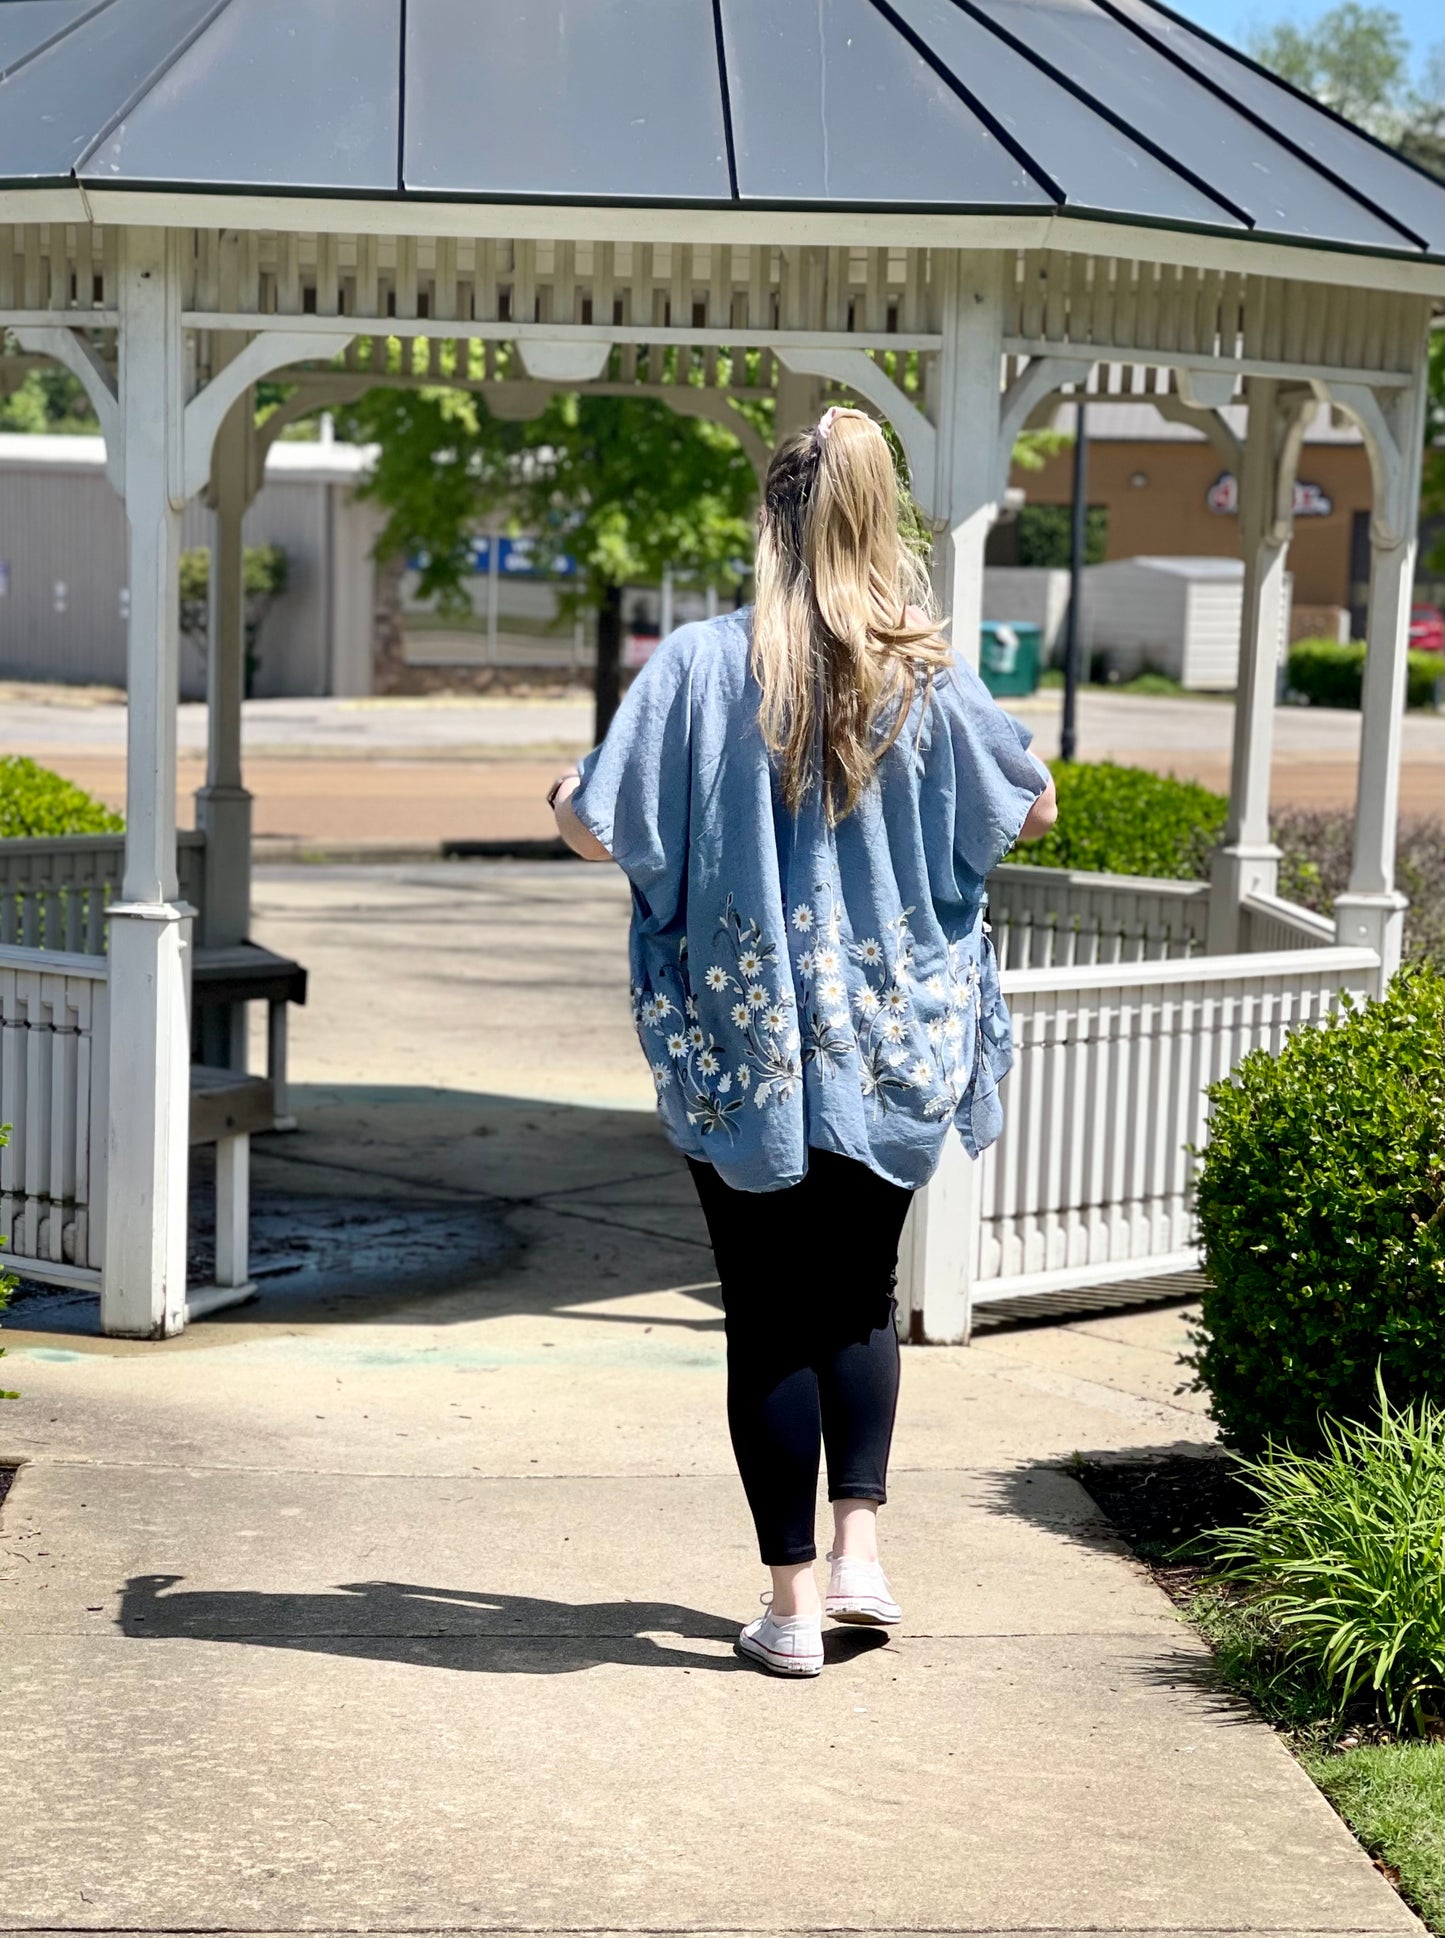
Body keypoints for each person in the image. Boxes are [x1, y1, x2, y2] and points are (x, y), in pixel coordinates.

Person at [549, 407, 1057, 1677]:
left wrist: (559, 794)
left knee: (767, 1317)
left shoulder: (701, 665)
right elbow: (1029, 804)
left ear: (769, 525)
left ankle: (787, 1611)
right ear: (879, 523)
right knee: (856, 1301)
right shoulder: (925, 673)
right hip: (892, 1043)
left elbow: (601, 824)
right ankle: (861, 1555)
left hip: (748, 1052)